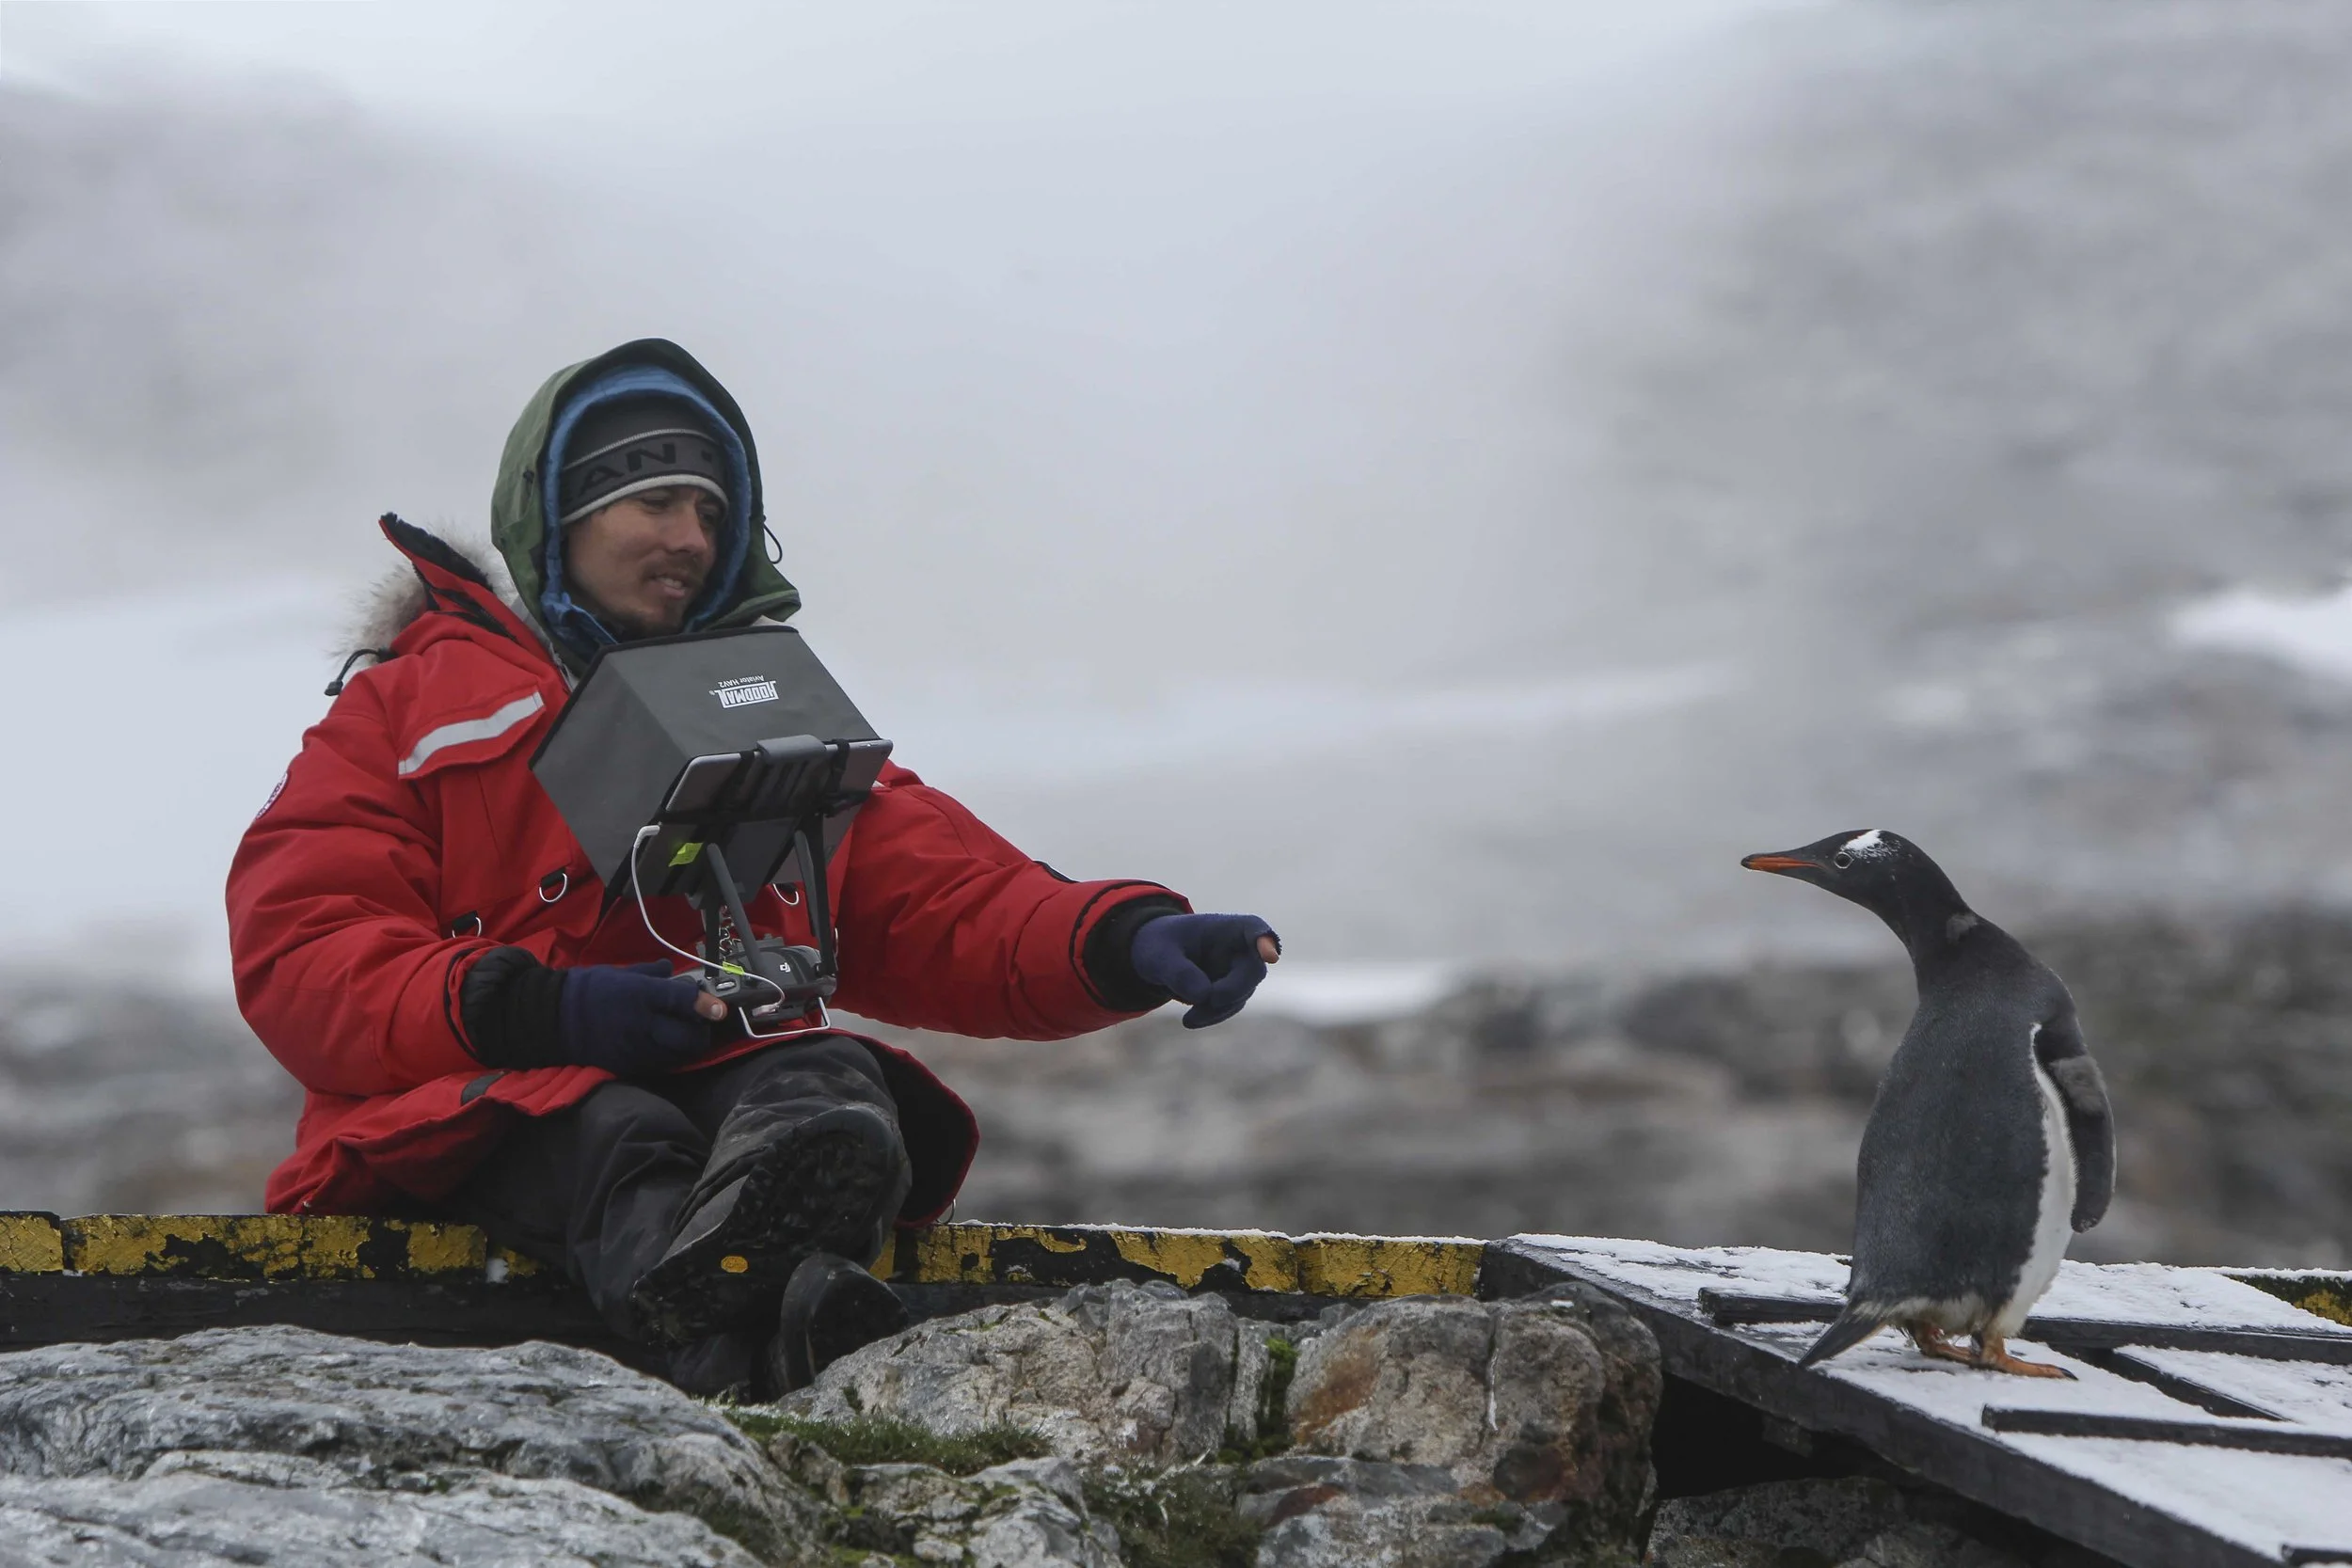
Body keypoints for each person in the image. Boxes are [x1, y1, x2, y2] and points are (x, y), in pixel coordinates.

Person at [227, 338, 1280, 1397]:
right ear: (561, 513)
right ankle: (760, 1353)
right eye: (655, 502)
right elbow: (301, 951)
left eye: (713, 514)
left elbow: (941, 896)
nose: (690, 537)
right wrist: (537, 1009)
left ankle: (741, 1337)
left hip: (692, 1092)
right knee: (611, 1126)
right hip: (460, 1120)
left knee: (830, 1081)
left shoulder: (755, 714)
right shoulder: (404, 709)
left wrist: (1124, 940)